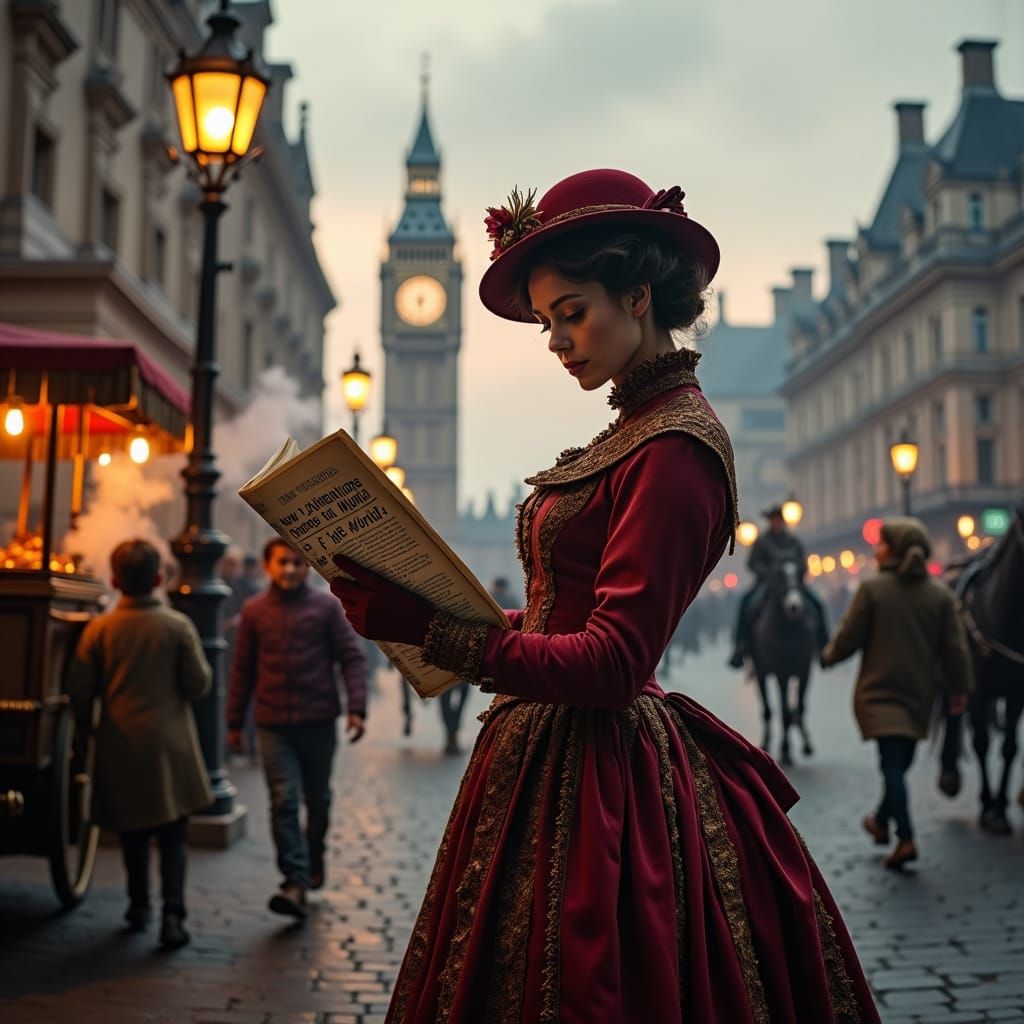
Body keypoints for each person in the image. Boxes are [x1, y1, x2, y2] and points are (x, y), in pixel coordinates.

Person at [331, 169, 879, 1022]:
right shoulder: (635, 430)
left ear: (637, 293)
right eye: (548, 322)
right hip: (552, 753)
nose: (556, 342)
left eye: (571, 313)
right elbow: (563, 616)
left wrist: (437, 634)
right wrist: (426, 609)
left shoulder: (676, 448)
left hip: (603, 782)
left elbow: (616, 661)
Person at [66, 539, 212, 950]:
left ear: (114, 580)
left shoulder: (99, 629)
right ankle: (173, 915)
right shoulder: (177, 626)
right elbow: (198, 684)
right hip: (170, 747)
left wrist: (87, 730)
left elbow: (79, 688)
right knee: (173, 837)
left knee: (132, 833)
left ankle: (138, 906)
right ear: (159, 578)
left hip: (120, 745)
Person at [227, 537, 368, 918]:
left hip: (318, 720)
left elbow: (351, 658)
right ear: (268, 566)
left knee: (317, 799)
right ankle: (294, 879)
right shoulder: (254, 612)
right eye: (282, 562)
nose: (290, 569)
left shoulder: (326, 608)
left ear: (307, 568)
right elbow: (242, 670)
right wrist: (235, 723)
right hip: (273, 724)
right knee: (283, 800)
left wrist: (356, 707)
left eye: (297, 563)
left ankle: (313, 857)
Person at [821, 517, 972, 869]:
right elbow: (955, 648)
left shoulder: (872, 589)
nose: (875, 550)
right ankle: (888, 824)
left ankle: (901, 835)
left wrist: (829, 656)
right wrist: (960, 687)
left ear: (895, 548)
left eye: (882, 543)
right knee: (898, 764)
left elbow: (849, 636)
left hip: (879, 693)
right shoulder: (939, 594)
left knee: (893, 766)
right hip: (919, 695)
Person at [729, 503, 829, 668]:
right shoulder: (762, 541)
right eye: (774, 520)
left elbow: (803, 563)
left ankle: (823, 646)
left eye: (779, 520)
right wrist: (767, 573)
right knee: (747, 603)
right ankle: (740, 646)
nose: (777, 523)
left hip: (792, 583)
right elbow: (752, 563)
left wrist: (795, 573)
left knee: (816, 604)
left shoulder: (793, 541)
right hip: (767, 584)